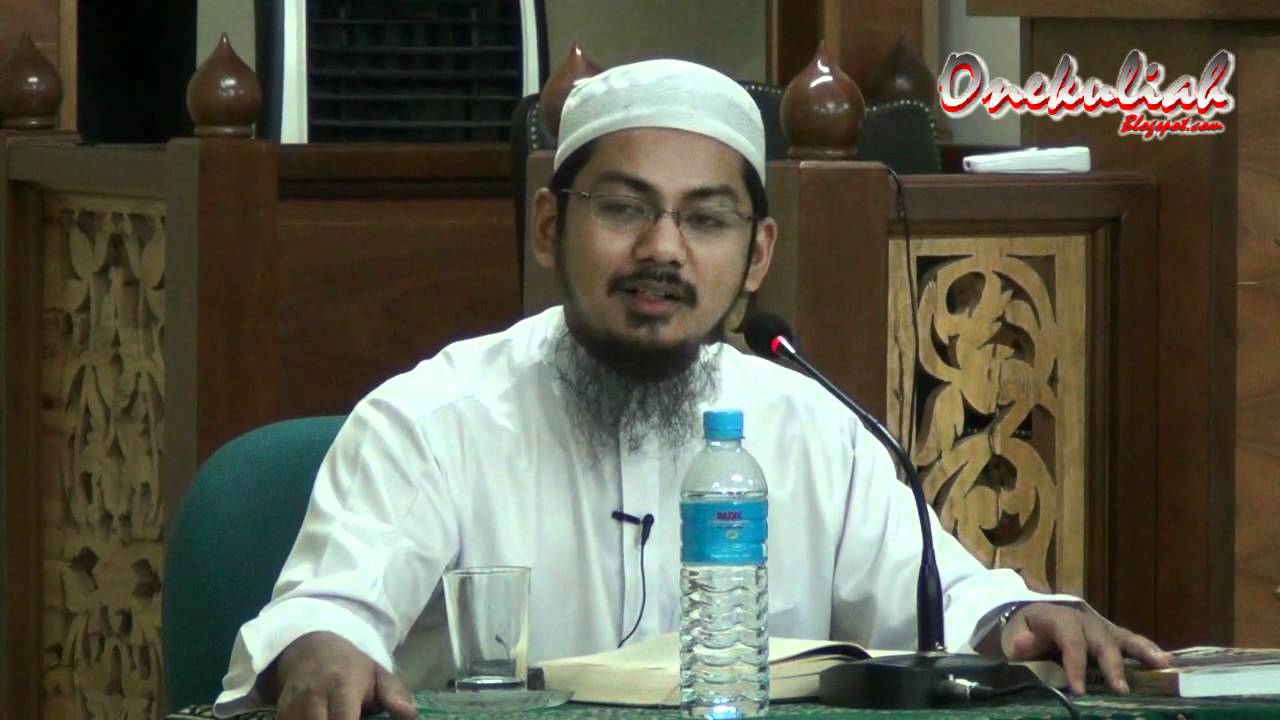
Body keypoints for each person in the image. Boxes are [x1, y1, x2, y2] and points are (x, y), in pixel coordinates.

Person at [213, 59, 1170, 720]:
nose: (662, 250)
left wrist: (1016, 618)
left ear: (757, 254)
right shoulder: (432, 421)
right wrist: (322, 649)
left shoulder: (812, 429)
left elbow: (943, 597)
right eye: (623, 208)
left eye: (706, 219)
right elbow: (331, 605)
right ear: (549, 225)